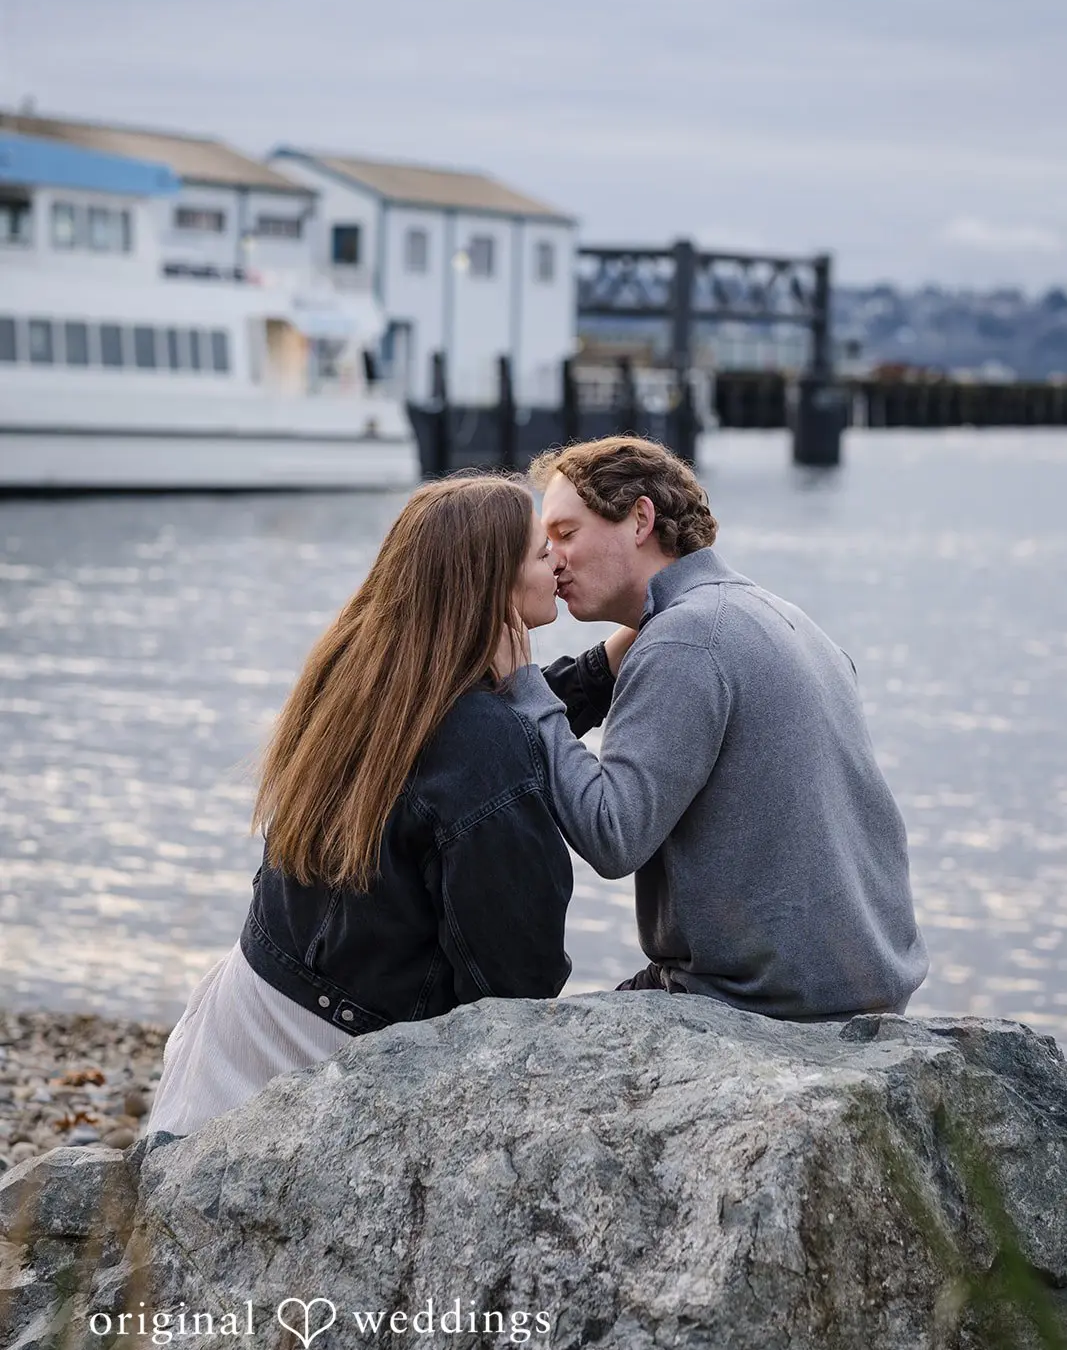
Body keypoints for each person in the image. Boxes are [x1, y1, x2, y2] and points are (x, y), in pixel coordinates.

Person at [148, 475, 575, 1139]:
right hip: (322, 1069)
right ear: (491, 584)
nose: (558, 561)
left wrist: (596, 671)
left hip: (237, 1023)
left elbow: (462, 745)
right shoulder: (484, 744)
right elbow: (520, 980)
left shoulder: (360, 671)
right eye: (540, 552)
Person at [502, 435, 929, 1021]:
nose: (553, 558)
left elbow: (611, 834)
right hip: (862, 991)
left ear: (640, 519)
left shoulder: (684, 640)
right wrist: (608, 662)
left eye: (566, 533)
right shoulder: (779, 616)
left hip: (762, 1005)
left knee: (536, 1046)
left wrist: (525, 686)